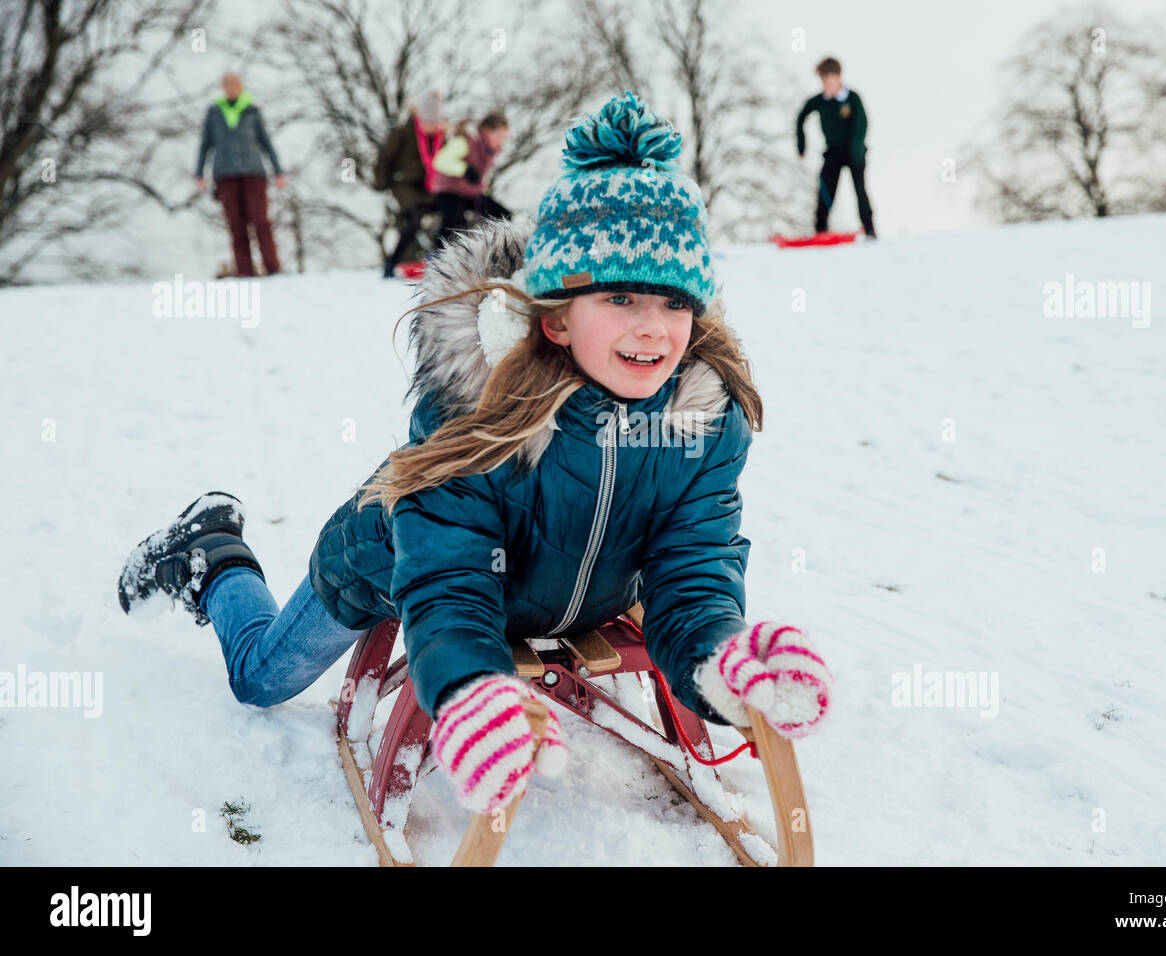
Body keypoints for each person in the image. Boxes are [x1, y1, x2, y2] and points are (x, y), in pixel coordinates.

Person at [118, 92, 833, 816]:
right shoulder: (479, 411)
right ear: (555, 318)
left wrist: (721, 659)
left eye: (676, 303)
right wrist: (468, 687)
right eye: (620, 299)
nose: (654, 328)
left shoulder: (699, 424)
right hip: (390, 557)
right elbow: (451, 581)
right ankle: (212, 553)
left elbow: (692, 566)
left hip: (560, 596)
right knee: (262, 679)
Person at [195, 72, 286, 276]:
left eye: (235, 84)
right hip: (225, 174)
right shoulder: (214, 112)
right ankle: (244, 272)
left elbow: (265, 142)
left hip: (253, 172)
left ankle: (273, 268)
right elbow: (205, 145)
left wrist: (278, 170)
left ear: (241, 86)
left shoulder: (251, 111)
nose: (232, 88)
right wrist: (199, 173)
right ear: (223, 88)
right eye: (228, 84)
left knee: (260, 221)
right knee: (236, 224)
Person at [796, 57, 875, 238]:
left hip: (855, 152)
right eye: (823, 81)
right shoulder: (820, 101)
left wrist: (855, 151)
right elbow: (801, 117)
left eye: (829, 80)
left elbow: (861, 125)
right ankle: (820, 230)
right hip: (833, 152)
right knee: (825, 189)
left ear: (839, 77)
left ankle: (870, 229)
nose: (827, 85)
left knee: (860, 190)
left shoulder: (852, 98)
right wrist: (801, 145)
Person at [375, 89, 448, 278]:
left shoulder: (442, 136)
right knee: (414, 219)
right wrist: (381, 183)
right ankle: (393, 262)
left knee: (449, 211)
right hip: (404, 184)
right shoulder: (403, 133)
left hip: (430, 186)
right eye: (428, 122)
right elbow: (385, 158)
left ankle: (438, 259)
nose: (431, 126)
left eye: (435, 122)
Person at [427, 111, 512, 251]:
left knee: (503, 215)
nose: (501, 141)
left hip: (469, 193)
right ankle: (434, 258)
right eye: (498, 136)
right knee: (452, 223)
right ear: (486, 131)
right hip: (449, 190)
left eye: (504, 137)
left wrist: (482, 183)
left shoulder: (488, 150)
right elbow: (439, 161)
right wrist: (464, 169)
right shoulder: (466, 141)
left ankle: (500, 251)